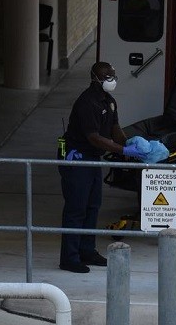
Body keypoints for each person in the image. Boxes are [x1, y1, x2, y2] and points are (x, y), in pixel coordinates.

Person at [58, 61, 147, 273]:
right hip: (77, 158)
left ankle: (87, 250)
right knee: (76, 208)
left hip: (93, 159)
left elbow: (115, 128)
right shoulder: (87, 103)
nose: (112, 79)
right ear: (95, 78)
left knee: (92, 205)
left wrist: (127, 143)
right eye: (108, 76)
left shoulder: (109, 101)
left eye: (113, 75)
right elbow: (94, 138)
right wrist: (121, 151)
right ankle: (69, 258)